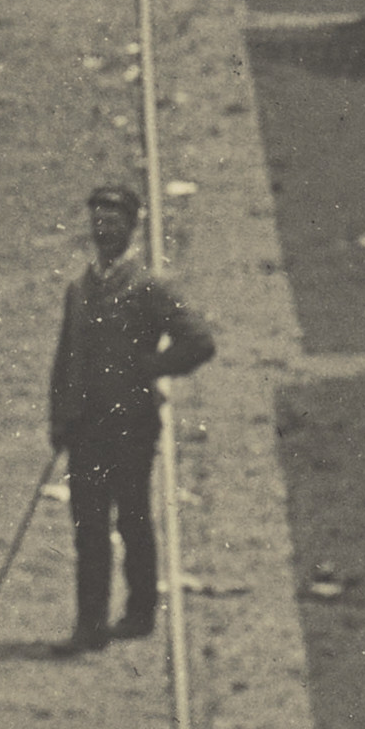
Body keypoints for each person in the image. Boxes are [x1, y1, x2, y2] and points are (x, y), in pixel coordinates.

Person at [44, 179, 217, 654]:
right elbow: (66, 359)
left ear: (132, 227)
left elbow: (199, 341)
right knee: (88, 526)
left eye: (115, 221)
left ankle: (140, 612)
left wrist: (151, 368)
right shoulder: (79, 289)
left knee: (133, 519)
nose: (104, 229)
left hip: (131, 426)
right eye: (98, 220)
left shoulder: (148, 286)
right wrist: (58, 419)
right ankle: (90, 624)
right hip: (86, 429)